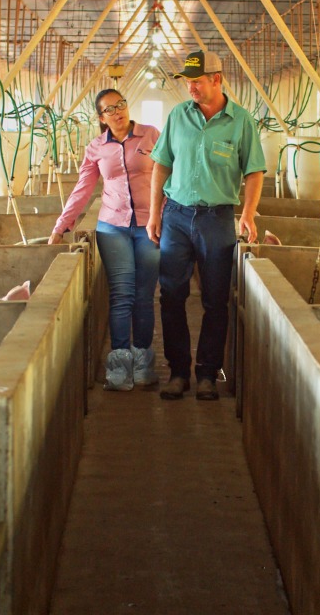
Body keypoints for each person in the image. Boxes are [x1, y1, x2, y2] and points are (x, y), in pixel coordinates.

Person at [146, 51, 266, 401]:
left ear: (217, 78)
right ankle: (178, 372)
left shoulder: (241, 121)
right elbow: (161, 167)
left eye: (197, 81)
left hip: (217, 219)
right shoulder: (177, 117)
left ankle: (207, 375)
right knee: (171, 295)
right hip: (177, 217)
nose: (191, 88)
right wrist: (155, 214)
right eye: (188, 81)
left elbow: (254, 171)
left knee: (216, 299)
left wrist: (247, 213)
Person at [51, 89, 161, 391]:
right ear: (101, 117)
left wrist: (170, 216)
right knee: (122, 295)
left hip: (149, 226)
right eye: (109, 109)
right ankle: (119, 369)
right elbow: (83, 188)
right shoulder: (96, 148)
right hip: (112, 226)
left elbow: (170, 176)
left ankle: (143, 366)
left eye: (121, 104)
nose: (118, 111)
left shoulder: (151, 136)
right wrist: (62, 226)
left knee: (144, 297)